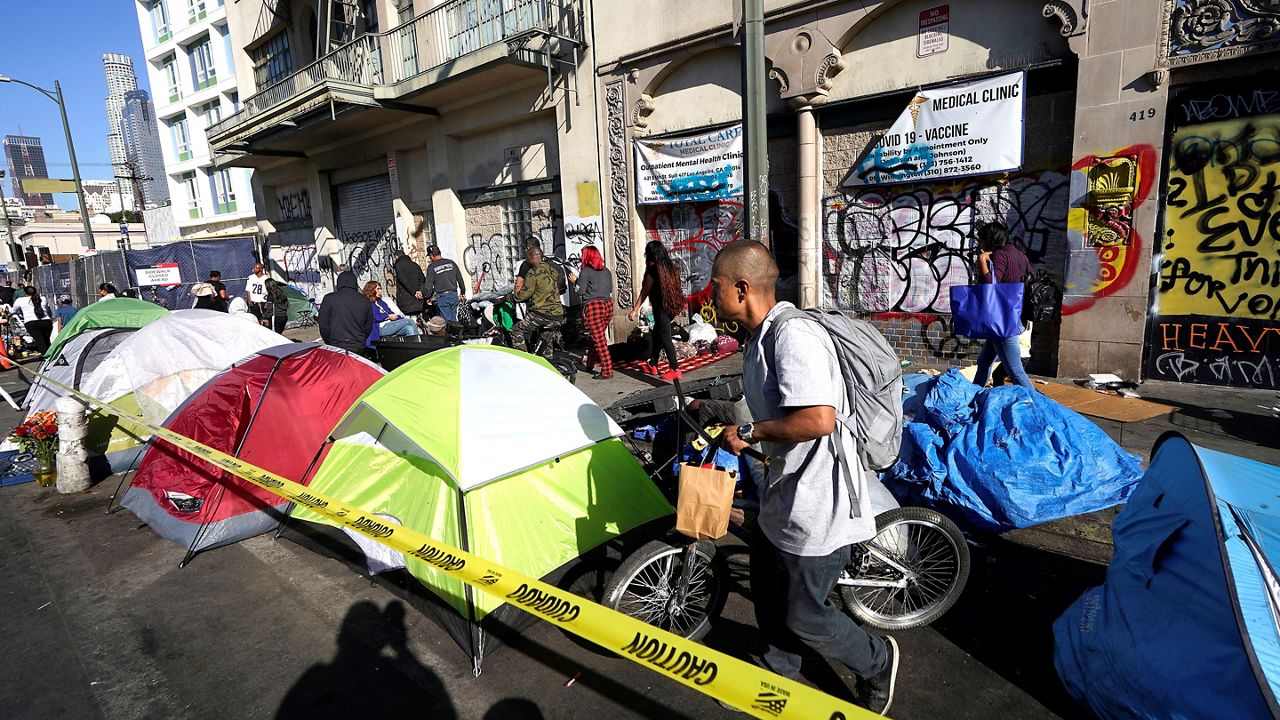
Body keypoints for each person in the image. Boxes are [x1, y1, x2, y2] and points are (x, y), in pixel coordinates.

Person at [712, 240, 899, 715]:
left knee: (804, 615)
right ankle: (780, 679)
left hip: (821, 502)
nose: (709, 296)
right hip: (785, 491)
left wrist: (749, 431)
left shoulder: (793, 337)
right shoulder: (760, 336)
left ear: (741, 288)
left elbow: (818, 419)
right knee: (771, 597)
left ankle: (876, 662)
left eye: (715, 287)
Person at [972, 222, 1035, 390]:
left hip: (1003, 319)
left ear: (989, 240)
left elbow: (990, 286)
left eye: (982, 239)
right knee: (984, 362)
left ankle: (1037, 405)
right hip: (1014, 314)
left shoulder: (1000, 255)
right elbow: (1031, 278)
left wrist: (982, 260)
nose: (980, 243)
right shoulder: (1019, 254)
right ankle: (973, 396)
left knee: (1015, 370)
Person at [626, 240, 684, 380]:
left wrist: (634, 309)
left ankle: (675, 368)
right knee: (657, 335)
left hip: (661, 309)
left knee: (665, 337)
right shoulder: (671, 268)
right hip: (670, 307)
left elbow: (645, 291)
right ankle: (653, 364)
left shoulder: (653, 271)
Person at [509, 245, 564, 352]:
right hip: (558, 314)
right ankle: (548, 363)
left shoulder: (533, 272)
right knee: (545, 341)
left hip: (542, 314)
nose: (526, 260)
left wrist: (510, 298)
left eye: (527, 257)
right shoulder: (551, 269)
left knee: (515, 330)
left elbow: (522, 296)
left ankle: (525, 359)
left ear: (532, 257)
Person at [570, 245, 614, 379]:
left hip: (593, 307)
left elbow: (580, 291)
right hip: (607, 305)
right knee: (595, 337)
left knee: (599, 339)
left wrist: (574, 281)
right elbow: (610, 289)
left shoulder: (586, 271)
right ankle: (589, 364)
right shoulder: (606, 271)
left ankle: (607, 370)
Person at [320, 271, 375, 356]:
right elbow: (368, 326)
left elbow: (324, 326)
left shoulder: (328, 299)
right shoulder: (364, 300)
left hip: (336, 344)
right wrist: (361, 339)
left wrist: (329, 342)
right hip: (358, 345)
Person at [417, 245, 466, 322]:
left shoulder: (431, 267)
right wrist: (462, 292)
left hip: (442, 297)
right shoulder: (451, 263)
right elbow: (460, 280)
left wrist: (427, 297)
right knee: (454, 320)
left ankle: (451, 334)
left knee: (447, 322)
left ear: (431, 255)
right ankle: (457, 334)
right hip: (454, 295)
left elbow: (428, 287)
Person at [13, 286, 54, 354]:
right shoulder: (43, 298)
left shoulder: (20, 300)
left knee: (39, 340)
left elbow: (13, 310)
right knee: (46, 340)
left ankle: (45, 355)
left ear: (25, 293)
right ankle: (50, 354)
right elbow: (47, 309)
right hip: (46, 321)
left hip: (31, 322)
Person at [392, 250, 426, 318]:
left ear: (396, 256)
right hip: (418, 301)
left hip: (405, 300)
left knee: (408, 322)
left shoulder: (399, 265)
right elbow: (422, 280)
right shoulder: (415, 265)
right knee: (416, 320)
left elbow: (404, 281)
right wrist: (419, 291)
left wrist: (414, 293)